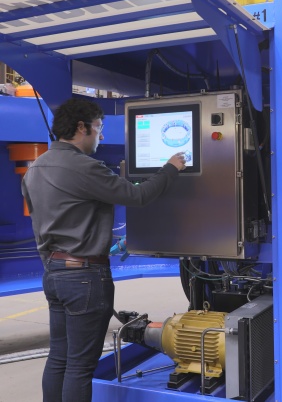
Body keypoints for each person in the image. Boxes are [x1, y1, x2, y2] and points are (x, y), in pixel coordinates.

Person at [21, 98, 186, 402]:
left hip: (55, 274)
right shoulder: (85, 167)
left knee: (59, 359)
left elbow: (42, 224)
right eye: (99, 127)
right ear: (81, 127)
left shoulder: (35, 169)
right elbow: (138, 196)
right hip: (85, 278)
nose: (101, 135)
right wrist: (171, 168)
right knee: (80, 367)